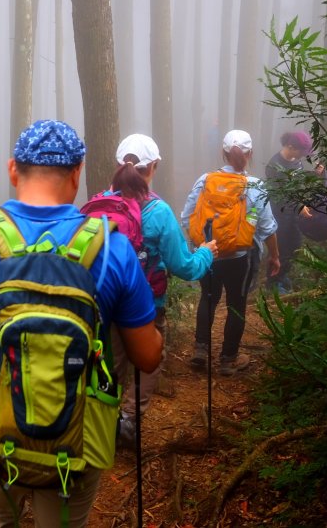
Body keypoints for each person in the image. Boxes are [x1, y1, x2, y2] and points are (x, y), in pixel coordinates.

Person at [0, 119, 163, 527]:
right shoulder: (112, 247)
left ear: (13, 169)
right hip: (79, 436)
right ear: (77, 173)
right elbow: (147, 356)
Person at [106, 134, 217, 445]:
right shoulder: (159, 212)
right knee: (149, 360)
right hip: (147, 305)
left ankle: (105, 422)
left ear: (119, 165)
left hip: (107, 303)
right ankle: (129, 420)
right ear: (153, 166)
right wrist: (207, 252)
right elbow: (185, 267)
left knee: (111, 362)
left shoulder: (100, 203)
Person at [181, 130, 279, 377]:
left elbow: (186, 217)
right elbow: (267, 228)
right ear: (250, 154)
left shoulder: (205, 180)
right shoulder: (255, 185)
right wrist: (274, 256)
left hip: (208, 254)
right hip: (240, 258)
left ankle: (200, 350)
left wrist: (198, 245)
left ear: (223, 152)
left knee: (208, 298)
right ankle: (228, 360)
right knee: (237, 304)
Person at [265, 131, 314, 293]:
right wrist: (298, 207)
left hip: (294, 216)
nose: (303, 156)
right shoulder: (274, 165)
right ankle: (273, 282)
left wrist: (314, 175)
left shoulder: (297, 162)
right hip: (279, 216)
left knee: (295, 245)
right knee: (280, 248)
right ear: (291, 147)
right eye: (301, 152)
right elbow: (278, 195)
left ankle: (283, 274)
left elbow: (297, 185)